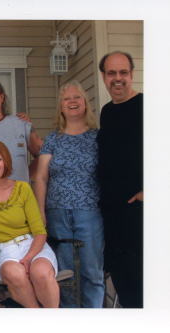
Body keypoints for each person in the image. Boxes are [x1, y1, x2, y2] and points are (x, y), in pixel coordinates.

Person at [0, 140, 59, 308]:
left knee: (42, 273)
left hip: (33, 245)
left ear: (6, 162)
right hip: (3, 251)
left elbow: (40, 231)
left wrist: (28, 258)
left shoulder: (23, 188)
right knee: (15, 273)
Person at [34, 80, 104, 308]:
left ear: (85, 103)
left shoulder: (97, 138)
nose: (72, 102)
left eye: (77, 97)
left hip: (89, 212)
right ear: (61, 107)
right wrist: (40, 212)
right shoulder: (53, 139)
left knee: (91, 272)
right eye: (67, 99)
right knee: (65, 274)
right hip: (57, 213)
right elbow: (41, 177)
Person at [97, 51, 143, 308]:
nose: (118, 78)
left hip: (140, 212)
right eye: (111, 73)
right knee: (123, 280)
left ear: (131, 75)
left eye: (123, 72)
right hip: (112, 214)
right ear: (103, 77)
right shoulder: (107, 112)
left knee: (144, 283)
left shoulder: (148, 106)